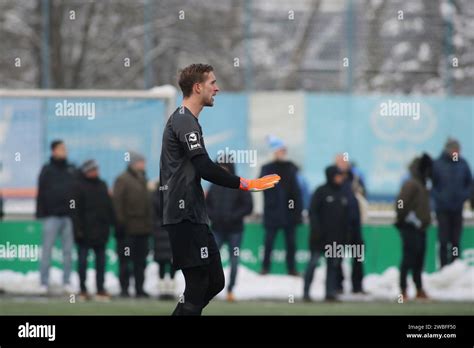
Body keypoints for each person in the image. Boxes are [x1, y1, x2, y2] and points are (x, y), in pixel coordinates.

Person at [159, 63, 280, 316]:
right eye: (212, 83)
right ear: (197, 87)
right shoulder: (183, 120)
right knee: (198, 283)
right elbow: (204, 166)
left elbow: (202, 168)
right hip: (183, 214)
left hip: (195, 214)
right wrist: (246, 183)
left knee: (215, 281)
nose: (217, 88)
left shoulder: (189, 120)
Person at [205, 159, 253, 302]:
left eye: (225, 167)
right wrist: (214, 216)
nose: (223, 170)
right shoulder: (213, 186)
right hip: (217, 229)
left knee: (234, 260)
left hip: (235, 230)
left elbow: (248, 206)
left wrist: (233, 217)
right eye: (220, 167)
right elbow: (206, 205)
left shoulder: (240, 184)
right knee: (211, 259)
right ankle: (208, 288)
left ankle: (230, 289)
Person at [36, 140, 76, 294]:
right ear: (53, 151)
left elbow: (76, 192)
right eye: (61, 149)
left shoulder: (71, 169)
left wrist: (74, 213)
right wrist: (40, 214)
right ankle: (43, 282)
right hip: (51, 216)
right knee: (47, 250)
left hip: (68, 216)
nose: (64, 151)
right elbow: (41, 193)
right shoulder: (47, 170)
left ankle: (66, 281)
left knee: (68, 251)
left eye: (65, 148)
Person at [304, 165, 349, 302]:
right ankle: (306, 292)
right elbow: (313, 213)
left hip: (335, 239)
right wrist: (317, 231)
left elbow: (345, 218)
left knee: (333, 266)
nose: (340, 178)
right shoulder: (321, 191)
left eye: (341, 176)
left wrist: (345, 236)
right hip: (319, 238)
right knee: (313, 264)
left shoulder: (343, 194)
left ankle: (330, 292)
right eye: (337, 175)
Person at [72, 160, 115, 301]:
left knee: (101, 263)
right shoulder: (78, 186)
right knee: (83, 263)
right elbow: (75, 211)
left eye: (96, 169)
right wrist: (78, 230)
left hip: (101, 232)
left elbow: (108, 207)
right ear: (86, 171)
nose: (96, 171)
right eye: (93, 169)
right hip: (84, 233)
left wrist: (112, 223)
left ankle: (100, 289)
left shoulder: (102, 185)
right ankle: (83, 290)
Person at [260, 136, 302, 276]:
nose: (280, 153)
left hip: (289, 214)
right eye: (278, 150)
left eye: (282, 150)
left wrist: (297, 212)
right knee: (269, 243)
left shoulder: (291, 168)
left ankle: (291, 269)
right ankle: (265, 268)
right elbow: (263, 189)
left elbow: (296, 193)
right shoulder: (266, 168)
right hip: (273, 213)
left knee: (291, 244)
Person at [113, 152, 153, 298]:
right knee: (125, 261)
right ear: (134, 163)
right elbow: (117, 204)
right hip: (128, 230)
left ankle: (139, 289)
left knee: (140, 262)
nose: (144, 165)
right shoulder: (122, 179)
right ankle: (124, 289)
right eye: (141, 162)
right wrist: (121, 223)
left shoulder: (143, 179)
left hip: (143, 229)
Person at [395, 154, 432, 300]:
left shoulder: (422, 184)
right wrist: (406, 216)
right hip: (409, 228)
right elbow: (400, 203)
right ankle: (403, 290)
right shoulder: (411, 184)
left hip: (420, 228)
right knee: (408, 259)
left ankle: (419, 289)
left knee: (419, 260)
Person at [432, 138, 472, 268]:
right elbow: (432, 186)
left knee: (455, 241)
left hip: (457, 209)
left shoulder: (463, 164)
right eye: (455, 150)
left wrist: (463, 196)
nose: (457, 152)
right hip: (442, 209)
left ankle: (455, 266)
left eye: (458, 150)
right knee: (443, 241)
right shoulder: (437, 164)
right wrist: (440, 198)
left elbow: (469, 184)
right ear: (448, 150)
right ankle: (443, 268)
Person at [334, 154, 366, 294]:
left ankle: (357, 286)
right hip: (339, 226)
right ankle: (337, 285)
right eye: (340, 162)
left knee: (357, 256)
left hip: (355, 224)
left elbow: (364, 195)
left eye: (344, 162)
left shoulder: (355, 179)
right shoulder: (333, 180)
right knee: (336, 257)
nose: (342, 165)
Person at [152, 182, 176, 300]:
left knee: (165, 262)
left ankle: (164, 289)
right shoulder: (175, 195)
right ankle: (168, 289)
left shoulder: (155, 195)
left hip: (161, 232)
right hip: (169, 231)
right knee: (171, 261)